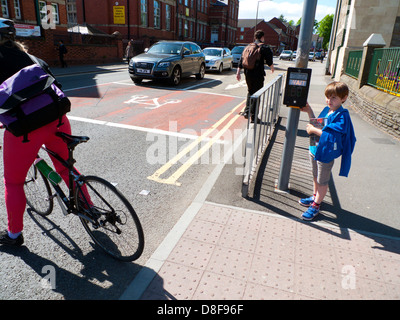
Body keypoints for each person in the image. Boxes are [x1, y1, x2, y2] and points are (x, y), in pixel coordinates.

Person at [0, 18, 86, 246]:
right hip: (57, 118)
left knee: (14, 182)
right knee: (66, 168)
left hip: (25, 131)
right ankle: (90, 209)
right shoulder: (32, 58)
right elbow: (56, 86)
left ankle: (14, 235)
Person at [299, 81, 356, 221]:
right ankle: (314, 196)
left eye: (334, 98)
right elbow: (318, 123)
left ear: (344, 98)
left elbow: (332, 136)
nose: (329, 100)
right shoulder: (327, 110)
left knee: (323, 181)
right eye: (327, 97)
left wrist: (313, 130)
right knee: (315, 176)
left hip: (326, 153)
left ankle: (316, 205)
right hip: (315, 149)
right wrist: (309, 110)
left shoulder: (342, 116)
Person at [236, 30, 275, 123]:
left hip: (247, 73)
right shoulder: (264, 47)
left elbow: (241, 60)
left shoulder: (248, 47)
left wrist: (238, 72)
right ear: (262, 37)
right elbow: (269, 59)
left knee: (250, 91)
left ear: (255, 37)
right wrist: (272, 68)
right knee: (257, 94)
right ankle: (254, 117)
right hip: (258, 73)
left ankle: (247, 112)